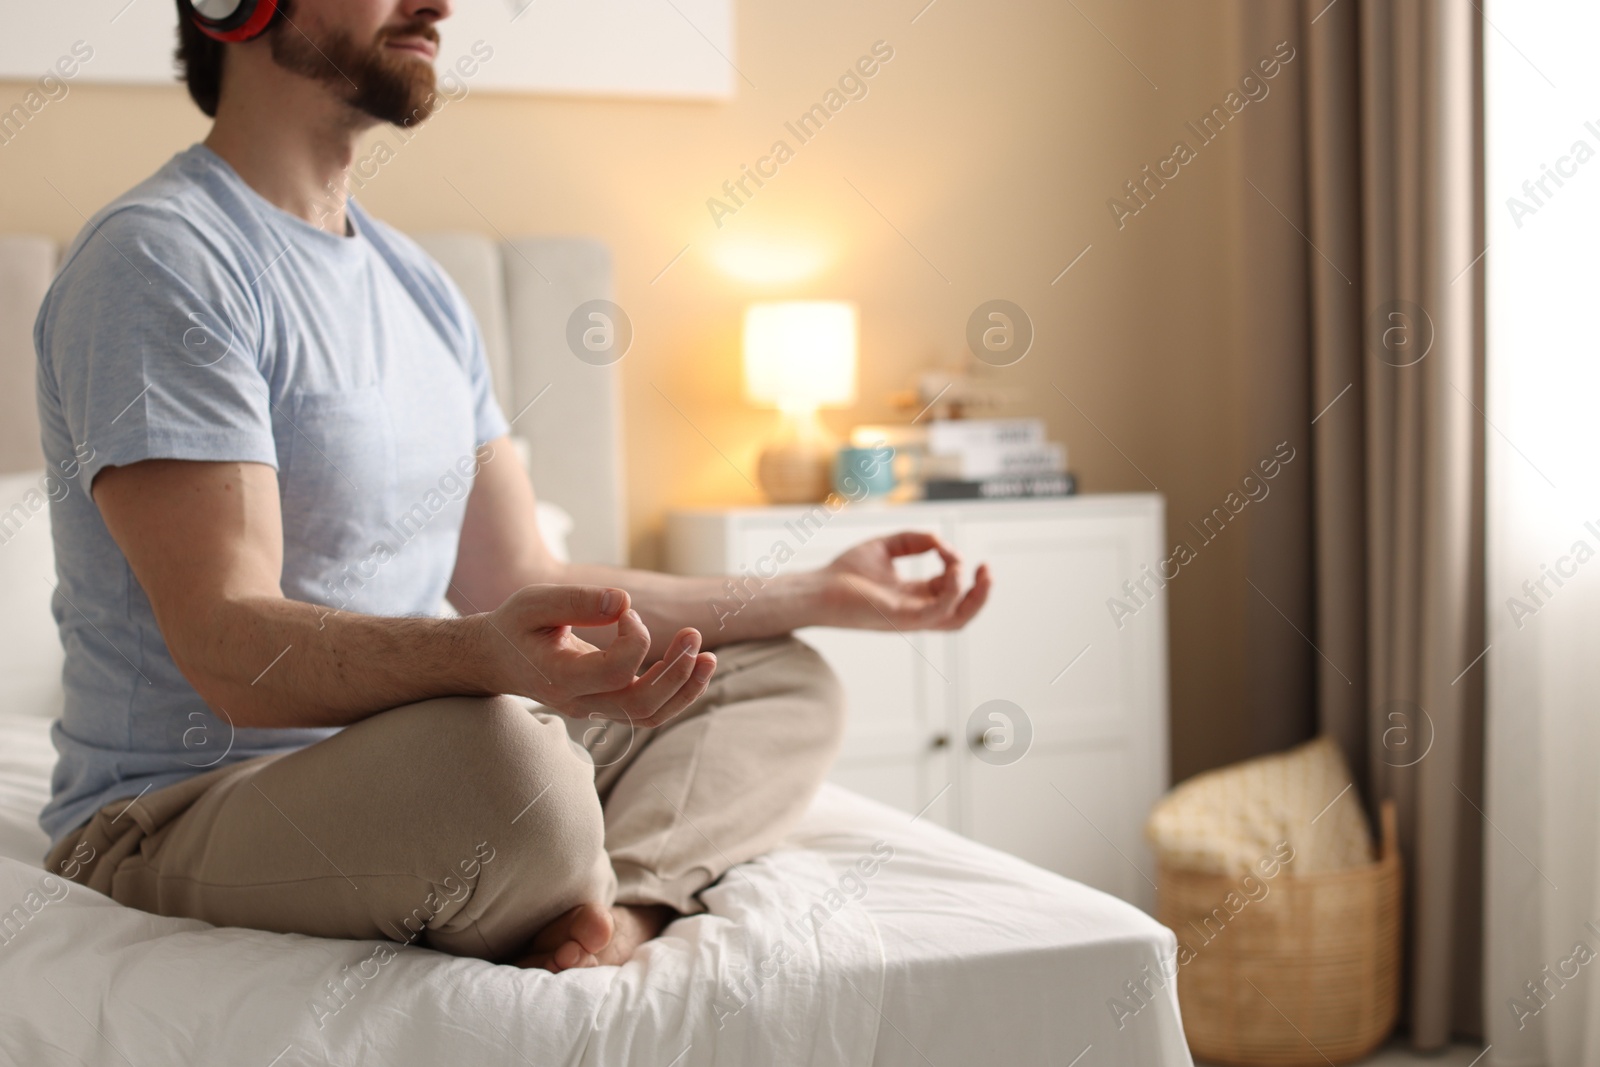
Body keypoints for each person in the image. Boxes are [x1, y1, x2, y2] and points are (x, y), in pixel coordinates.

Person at [34, 0, 991, 970]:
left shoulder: (422, 290)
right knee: (507, 763)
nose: (439, 3)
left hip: (420, 753)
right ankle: (561, 850)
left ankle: (616, 910)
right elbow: (228, 644)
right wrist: (480, 659)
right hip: (186, 803)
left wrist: (819, 590)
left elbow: (520, 573)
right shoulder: (162, 256)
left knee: (779, 678)